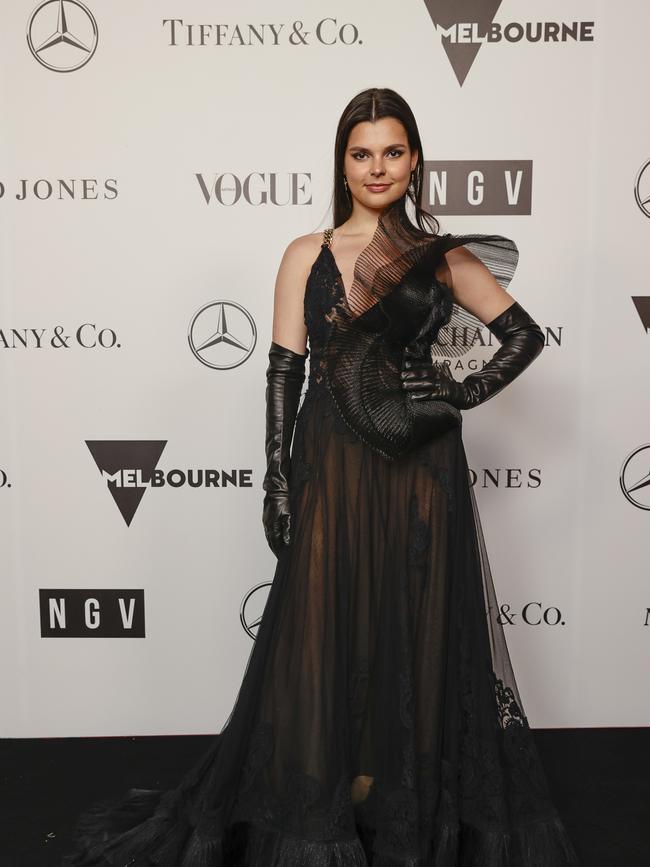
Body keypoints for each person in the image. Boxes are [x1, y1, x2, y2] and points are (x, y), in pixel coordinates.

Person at [63, 88, 581, 866]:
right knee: (322, 632)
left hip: (421, 468)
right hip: (330, 465)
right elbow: (283, 373)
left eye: (393, 151)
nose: (378, 167)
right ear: (342, 162)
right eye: (361, 152)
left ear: (414, 160)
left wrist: (457, 393)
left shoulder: (438, 257)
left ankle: (410, 802)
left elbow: (521, 333)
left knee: (417, 630)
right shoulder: (305, 254)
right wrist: (278, 477)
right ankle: (326, 800)